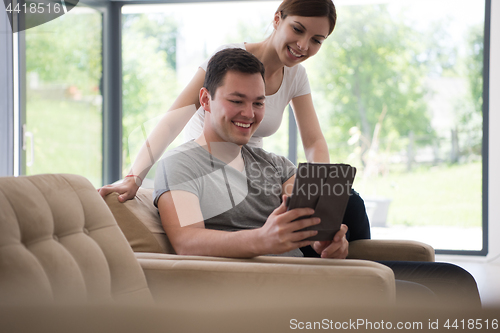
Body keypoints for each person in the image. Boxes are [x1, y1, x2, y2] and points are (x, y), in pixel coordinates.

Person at [155, 48, 481, 307]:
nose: (249, 114)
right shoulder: (180, 164)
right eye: (236, 101)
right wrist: (263, 239)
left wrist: (327, 241)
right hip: (263, 281)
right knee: (422, 300)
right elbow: (187, 242)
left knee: (456, 280)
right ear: (205, 100)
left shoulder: (274, 163)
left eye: (258, 103)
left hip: (310, 269)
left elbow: (310, 219)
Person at [98, 0, 371, 248]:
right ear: (278, 20)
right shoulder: (227, 60)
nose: (303, 45)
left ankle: (352, 266)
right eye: (298, 30)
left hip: (252, 164)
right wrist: (135, 177)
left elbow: (313, 141)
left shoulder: (296, 76)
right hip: (209, 163)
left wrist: (320, 194)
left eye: (316, 40)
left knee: (349, 202)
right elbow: (173, 121)